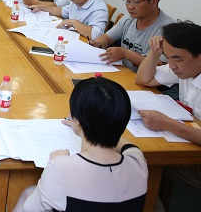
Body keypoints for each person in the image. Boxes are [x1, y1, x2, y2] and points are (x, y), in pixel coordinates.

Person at [13, 77, 148, 211]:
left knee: (28, 195)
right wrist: (93, 123)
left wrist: (58, 162)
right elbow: (128, 146)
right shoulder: (138, 162)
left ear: (77, 120)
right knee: (30, 192)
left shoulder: (60, 168)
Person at [135, 21, 201, 190]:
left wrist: (168, 124)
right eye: (168, 57)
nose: (171, 65)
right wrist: (154, 53)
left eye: (177, 58)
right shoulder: (186, 68)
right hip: (190, 141)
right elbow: (143, 79)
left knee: (140, 162)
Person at [91, 0, 175, 71]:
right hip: (121, 71)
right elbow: (107, 38)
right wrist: (97, 44)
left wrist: (126, 54)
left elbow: (161, 65)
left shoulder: (168, 29)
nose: (130, 7)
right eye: (127, 1)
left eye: (136, 2)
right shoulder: (129, 18)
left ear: (153, 1)